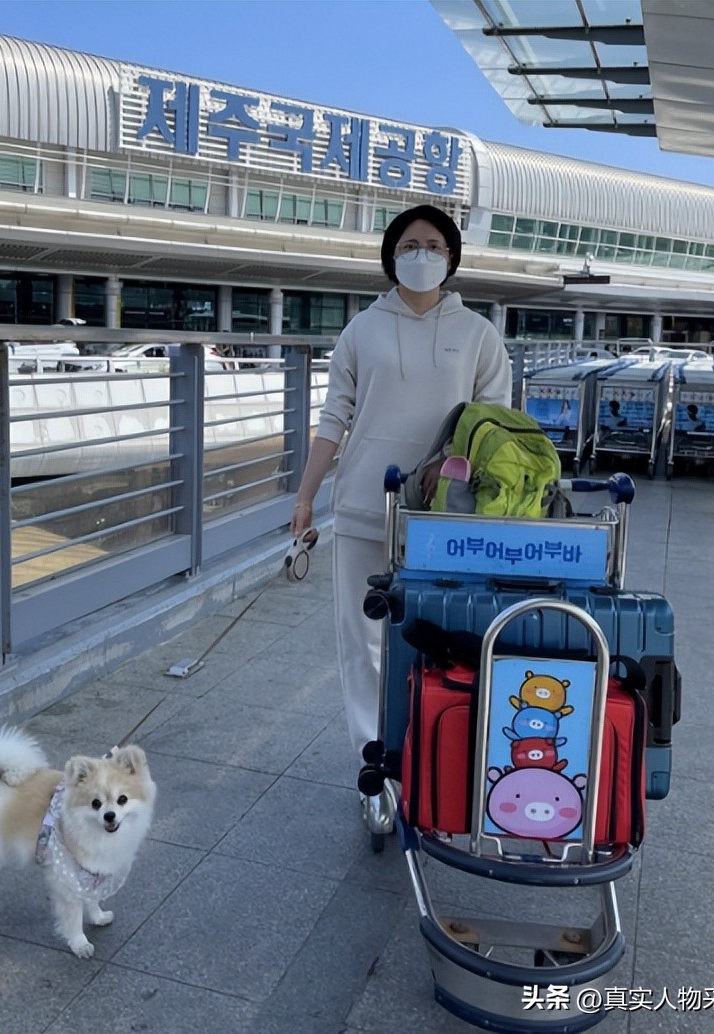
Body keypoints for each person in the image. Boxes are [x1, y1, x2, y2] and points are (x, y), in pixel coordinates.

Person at [289, 204, 512, 833]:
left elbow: (497, 422)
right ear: (391, 255)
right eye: (410, 243)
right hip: (362, 502)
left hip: (445, 514)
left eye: (434, 244)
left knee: (433, 636)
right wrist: (306, 497)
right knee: (359, 640)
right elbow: (334, 417)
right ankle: (375, 767)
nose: (422, 253)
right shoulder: (362, 328)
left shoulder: (476, 333)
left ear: (452, 257)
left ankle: (428, 754)